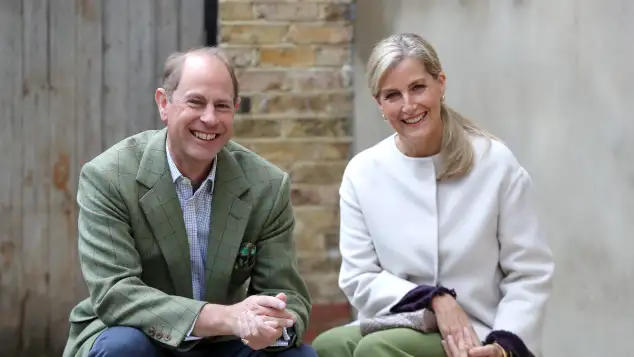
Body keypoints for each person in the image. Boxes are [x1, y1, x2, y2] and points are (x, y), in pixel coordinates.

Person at [62, 47, 316, 357]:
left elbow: (288, 294)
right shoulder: (109, 177)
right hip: (142, 335)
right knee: (122, 348)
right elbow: (116, 294)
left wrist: (273, 325)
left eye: (222, 106)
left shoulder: (266, 186)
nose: (209, 118)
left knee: (296, 355)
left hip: (224, 344)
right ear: (163, 104)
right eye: (196, 102)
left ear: (235, 108)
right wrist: (227, 317)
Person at [312, 33, 554, 357]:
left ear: (440, 84)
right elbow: (358, 276)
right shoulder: (363, 172)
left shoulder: (495, 164)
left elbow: (529, 271)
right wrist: (434, 298)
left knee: (375, 350)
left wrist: (505, 345)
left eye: (418, 87)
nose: (409, 105)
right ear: (379, 104)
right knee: (328, 346)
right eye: (392, 95)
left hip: (476, 331)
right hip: (401, 318)